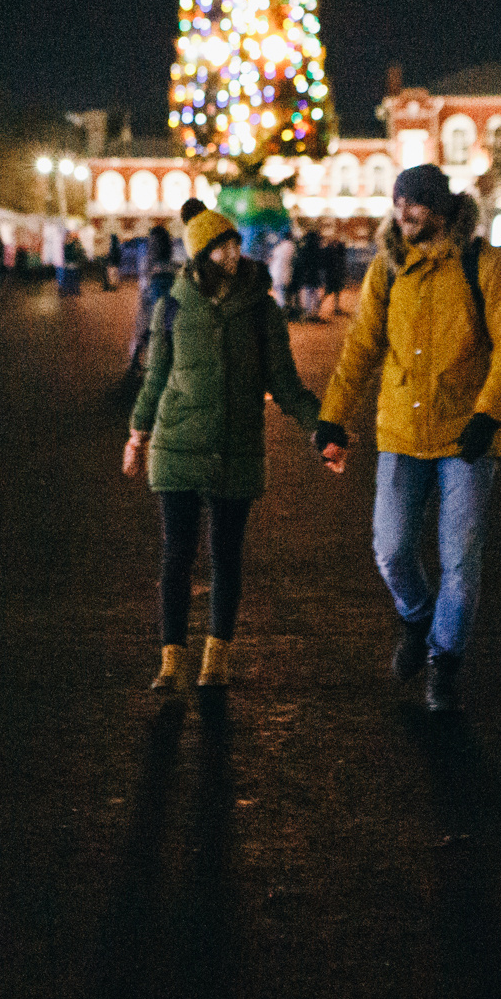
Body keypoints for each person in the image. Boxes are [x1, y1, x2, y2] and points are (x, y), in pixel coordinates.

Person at [312, 164, 501, 714]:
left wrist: (488, 415)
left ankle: (443, 662)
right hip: (401, 432)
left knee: (460, 559)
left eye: (414, 202)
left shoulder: (487, 265)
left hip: (466, 438)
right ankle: (417, 617)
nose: (402, 211)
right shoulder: (387, 269)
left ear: (442, 207)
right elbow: (362, 347)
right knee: (390, 549)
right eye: (398, 201)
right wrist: (332, 417)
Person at [125, 207, 327, 693]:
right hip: (177, 446)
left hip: (236, 448)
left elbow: (284, 383)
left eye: (235, 243)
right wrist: (137, 435)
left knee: (226, 557)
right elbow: (156, 377)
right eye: (222, 247)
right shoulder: (171, 306)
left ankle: (216, 658)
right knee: (176, 557)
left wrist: (321, 426)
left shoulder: (262, 309)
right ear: (201, 254)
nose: (234, 253)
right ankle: (171, 661)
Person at [124, 223, 179, 378]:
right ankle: (165, 368)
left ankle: (135, 363)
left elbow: (144, 283)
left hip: (149, 300)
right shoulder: (172, 262)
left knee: (143, 331)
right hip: (167, 305)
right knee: (167, 335)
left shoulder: (147, 260)